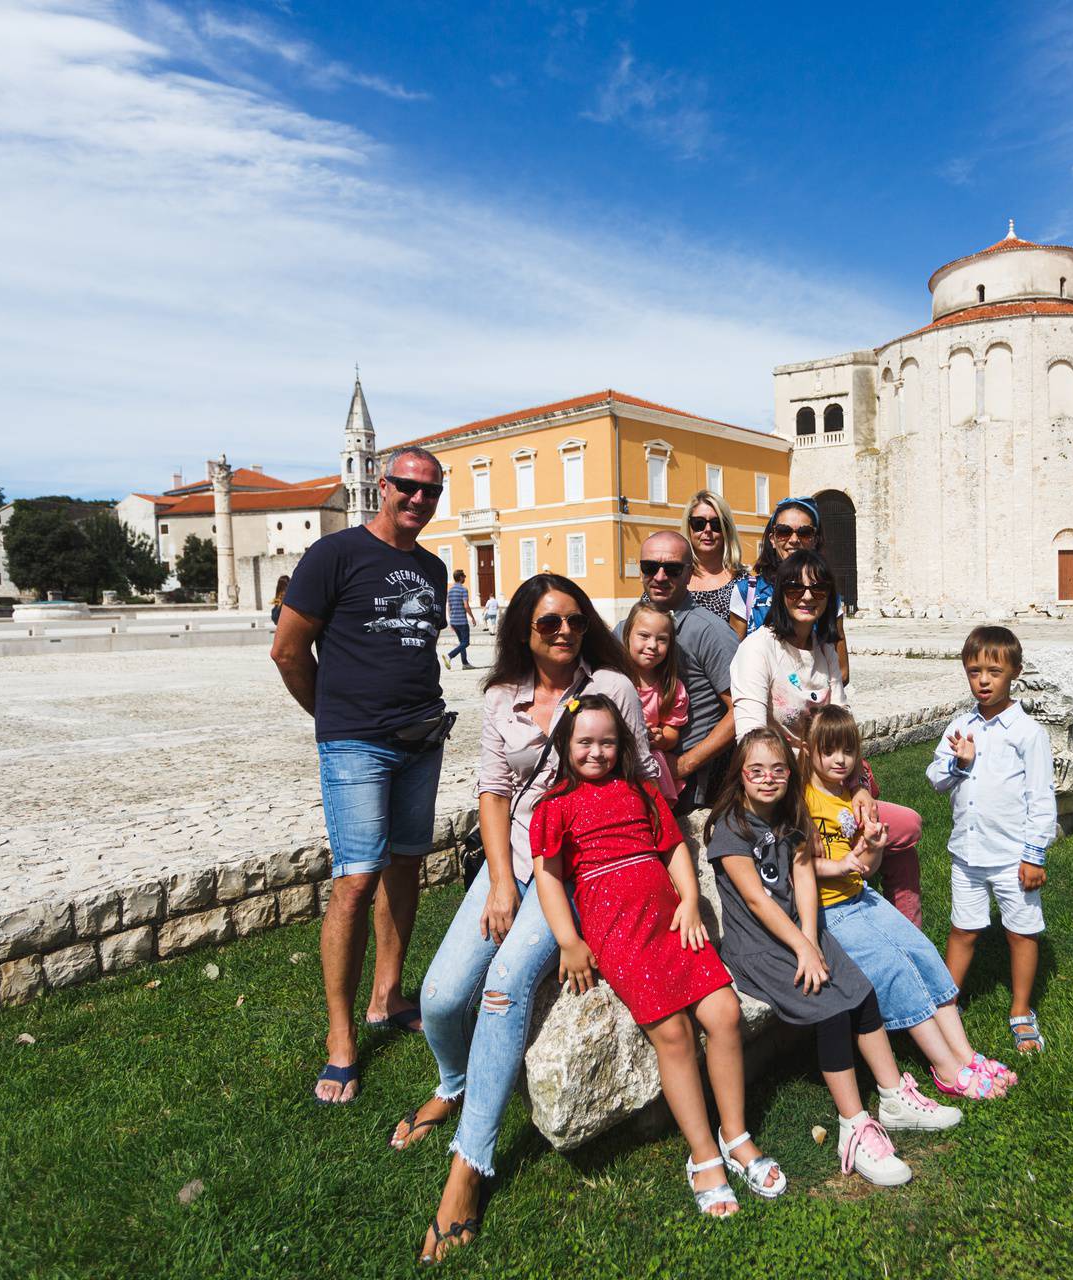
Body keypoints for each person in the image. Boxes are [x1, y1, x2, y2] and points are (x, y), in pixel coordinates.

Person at [402, 574, 656, 1263]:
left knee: (506, 983)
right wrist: (498, 886)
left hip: (578, 870)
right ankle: (453, 1084)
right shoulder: (500, 698)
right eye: (549, 623)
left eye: (575, 620)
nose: (565, 632)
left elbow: (647, 773)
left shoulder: (612, 688)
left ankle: (470, 1167)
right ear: (523, 629)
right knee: (441, 994)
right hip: (513, 859)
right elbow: (493, 790)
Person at [531, 696, 784, 1217]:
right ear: (565, 745)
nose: (597, 752)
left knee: (724, 1012)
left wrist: (691, 900)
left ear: (622, 745)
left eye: (607, 742)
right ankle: (702, 1154)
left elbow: (672, 850)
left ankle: (734, 1133)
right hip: (619, 929)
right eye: (585, 742)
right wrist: (568, 940)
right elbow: (550, 879)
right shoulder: (553, 805)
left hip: (670, 919)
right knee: (672, 1032)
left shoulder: (642, 792)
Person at [705, 728, 960, 1188]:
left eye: (779, 770)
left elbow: (803, 875)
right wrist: (803, 947)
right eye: (756, 771)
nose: (768, 779)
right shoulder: (731, 829)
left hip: (798, 932)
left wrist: (811, 935)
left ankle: (893, 1094)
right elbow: (759, 903)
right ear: (739, 776)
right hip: (759, 945)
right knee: (829, 1002)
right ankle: (854, 1124)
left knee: (860, 988)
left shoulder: (789, 815)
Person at [272, 447, 450, 1106]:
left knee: (406, 866)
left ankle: (388, 995)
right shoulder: (334, 555)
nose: (417, 500)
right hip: (357, 745)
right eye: (407, 486)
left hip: (422, 738)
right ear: (383, 485)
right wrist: (334, 717)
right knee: (355, 880)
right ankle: (341, 1038)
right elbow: (288, 650)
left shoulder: (431, 568)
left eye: (430, 492)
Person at [801, 704, 1013, 1101]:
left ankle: (966, 1055)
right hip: (829, 911)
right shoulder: (803, 800)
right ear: (809, 751)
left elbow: (865, 868)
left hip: (858, 895)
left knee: (921, 949)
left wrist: (872, 848)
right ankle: (947, 1068)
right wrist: (843, 862)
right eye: (829, 751)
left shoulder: (850, 795)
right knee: (895, 968)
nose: (840, 760)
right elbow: (800, 866)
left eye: (847, 751)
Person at [732, 550, 925, 927]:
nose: (807, 596)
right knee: (902, 831)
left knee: (899, 829)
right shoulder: (758, 649)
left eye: (818, 588)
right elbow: (750, 735)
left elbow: (844, 729)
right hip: (785, 792)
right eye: (794, 587)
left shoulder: (824, 653)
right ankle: (896, 923)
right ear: (779, 594)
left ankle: (905, 927)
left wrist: (860, 786)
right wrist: (801, 815)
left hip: (833, 785)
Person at [927, 626, 1057, 1054]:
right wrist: (961, 764)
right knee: (963, 929)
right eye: (974, 671)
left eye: (994, 671)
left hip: (1011, 857)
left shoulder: (1027, 733)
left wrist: (1034, 855)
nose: (983, 680)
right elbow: (935, 779)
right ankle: (948, 1002)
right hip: (967, 854)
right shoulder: (961, 727)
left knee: (1021, 932)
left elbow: (1040, 799)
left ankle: (1020, 1010)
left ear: (1014, 673)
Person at [620, 531, 740, 810]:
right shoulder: (625, 630)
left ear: (689, 574)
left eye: (672, 569)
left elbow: (743, 708)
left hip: (686, 788)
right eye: (650, 567)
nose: (660, 576)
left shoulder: (710, 632)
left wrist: (685, 764)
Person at [738, 497, 850, 683]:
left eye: (805, 533)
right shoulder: (746, 591)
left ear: (814, 540)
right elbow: (735, 661)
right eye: (784, 531)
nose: (794, 540)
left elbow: (842, 671)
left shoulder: (826, 594)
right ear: (772, 539)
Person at [622, 601, 690, 803]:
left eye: (661, 639)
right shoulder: (614, 678)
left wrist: (661, 739)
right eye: (644, 636)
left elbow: (671, 732)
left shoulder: (672, 688)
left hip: (650, 762)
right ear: (627, 635)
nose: (652, 645)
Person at [683, 490, 747, 638]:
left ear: (726, 529)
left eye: (716, 524)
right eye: (698, 523)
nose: (708, 530)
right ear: (689, 527)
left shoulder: (743, 583)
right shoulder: (671, 575)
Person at [444, 568, 473, 670]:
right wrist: (472, 617)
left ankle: (465, 663)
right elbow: (466, 605)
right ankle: (449, 656)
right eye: (464, 576)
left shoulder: (450, 590)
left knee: (462, 643)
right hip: (462, 621)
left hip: (454, 621)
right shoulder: (463, 589)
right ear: (460, 578)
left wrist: (450, 621)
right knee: (466, 642)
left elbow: (449, 606)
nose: (465, 578)